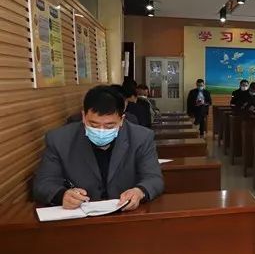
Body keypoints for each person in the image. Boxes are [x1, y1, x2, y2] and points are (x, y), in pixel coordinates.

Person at [33, 85, 164, 208]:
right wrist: (62, 195)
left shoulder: (141, 138)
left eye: (109, 126)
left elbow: (154, 178)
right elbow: (43, 183)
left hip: (125, 213)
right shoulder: (59, 140)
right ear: (83, 116)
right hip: (80, 215)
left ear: (121, 119)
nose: (101, 131)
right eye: (94, 125)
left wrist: (140, 191)